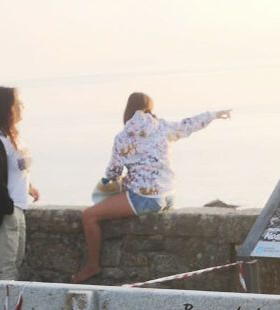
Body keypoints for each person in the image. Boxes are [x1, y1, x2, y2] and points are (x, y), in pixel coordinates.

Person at [70, 92, 230, 283]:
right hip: (168, 194)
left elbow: (113, 173)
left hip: (144, 197)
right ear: (149, 109)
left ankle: (92, 265)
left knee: (89, 216)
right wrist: (214, 114)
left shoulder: (123, 137)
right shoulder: (163, 127)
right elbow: (189, 124)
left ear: (128, 110)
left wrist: (116, 183)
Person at [0, 86, 40, 283]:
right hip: (4, 211)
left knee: (15, 262)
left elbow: (13, 169)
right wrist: (8, 208)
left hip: (18, 207)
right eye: (17, 103)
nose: (21, 106)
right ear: (6, 108)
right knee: (5, 268)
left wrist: (29, 187)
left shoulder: (15, 137)